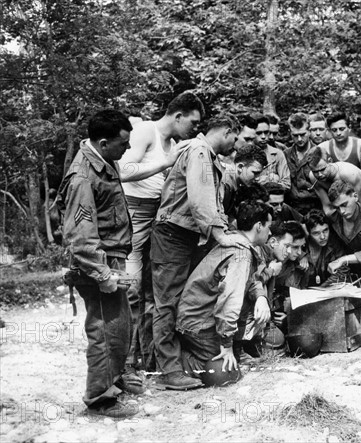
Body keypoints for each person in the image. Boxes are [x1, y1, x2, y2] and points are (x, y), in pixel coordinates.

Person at [150, 114, 240, 390]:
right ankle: (169, 371)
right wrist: (219, 235)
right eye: (235, 137)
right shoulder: (200, 151)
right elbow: (200, 199)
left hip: (185, 235)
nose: (235, 143)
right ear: (227, 130)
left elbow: (212, 202)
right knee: (166, 302)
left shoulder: (205, 153)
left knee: (177, 299)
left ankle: (178, 363)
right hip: (173, 234)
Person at [57, 110, 137, 418]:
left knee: (118, 326)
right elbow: (80, 237)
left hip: (111, 257)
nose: (127, 150)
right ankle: (99, 397)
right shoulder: (83, 177)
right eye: (123, 144)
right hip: (96, 264)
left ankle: (113, 382)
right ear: (103, 143)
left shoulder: (104, 162)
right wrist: (103, 273)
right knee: (103, 331)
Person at [119, 92, 203, 373]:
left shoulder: (175, 143)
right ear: (178, 116)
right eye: (192, 122)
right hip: (132, 216)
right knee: (130, 290)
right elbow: (123, 169)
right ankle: (125, 364)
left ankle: (146, 360)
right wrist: (166, 164)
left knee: (150, 295)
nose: (194, 128)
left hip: (158, 219)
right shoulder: (146, 130)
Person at [176, 201, 273, 375]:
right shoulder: (241, 254)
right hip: (199, 324)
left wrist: (260, 296)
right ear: (259, 226)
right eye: (268, 226)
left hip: (201, 320)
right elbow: (230, 300)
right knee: (222, 372)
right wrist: (226, 345)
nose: (270, 232)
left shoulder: (235, 242)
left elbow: (251, 281)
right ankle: (176, 363)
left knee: (232, 366)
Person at [306, 149, 361, 213]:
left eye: (322, 169)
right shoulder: (313, 177)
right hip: (342, 206)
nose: (319, 175)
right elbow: (327, 207)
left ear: (330, 161)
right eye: (315, 171)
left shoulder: (348, 173)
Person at [284, 112, 321, 213]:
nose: (299, 139)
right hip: (293, 208)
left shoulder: (320, 152)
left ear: (309, 131)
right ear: (289, 133)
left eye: (302, 134)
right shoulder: (285, 155)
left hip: (316, 207)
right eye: (295, 135)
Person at [304, 209, 349, 287]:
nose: (323, 237)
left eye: (325, 230)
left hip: (327, 289)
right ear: (308, 233)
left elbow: (342, 271)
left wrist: (321, 290)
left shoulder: (334, 243)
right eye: (316, 233)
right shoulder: (301, 247)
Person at [222, 144, 268, 220]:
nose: (257, 178)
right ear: (240, 167)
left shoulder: (232, 180)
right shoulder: (225, 183)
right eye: (255, 173)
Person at [253, 113, 291, 190]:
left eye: (266, 132)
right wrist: (275, 178)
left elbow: (287, 184)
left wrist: (269, 181)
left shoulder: (277, 154)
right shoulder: (244, 153)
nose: (263, 137)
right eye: (259, 133)